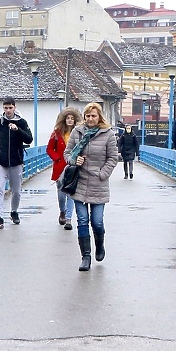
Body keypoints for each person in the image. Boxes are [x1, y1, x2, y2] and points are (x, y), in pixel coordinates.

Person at [64, 102, 118, 271]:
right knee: (81, 220)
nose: (90, 119)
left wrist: (103, 174)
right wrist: (74, 160)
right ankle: (85, 256)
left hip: (98, 183)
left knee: (97, 221)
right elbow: (67, 153)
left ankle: (99, 244)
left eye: (94, 116)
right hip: (78, 182)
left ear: (99, 117)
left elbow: (113, 158)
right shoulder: (77, 132)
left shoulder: (108, 134)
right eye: (88, 116)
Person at [0, 97, 33, 229]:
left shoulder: (22, 122)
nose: (8, 110)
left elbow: (29, 139)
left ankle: (14, 212)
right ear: (3, 108)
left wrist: (17, 130)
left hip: (16, 161)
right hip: (1, 162)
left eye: (10, 108)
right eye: (5, 108)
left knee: (16, 191)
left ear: (14, 107)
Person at [47, 106, 82, 231]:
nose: (70, 120)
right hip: (60, 167)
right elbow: (49, 149)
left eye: (72, 118)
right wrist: (57, 158)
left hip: (73, 167)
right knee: (61, 194)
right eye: (68, 118)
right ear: (64, 119)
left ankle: (68, 218)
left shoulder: (78, 133)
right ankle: (62, 211)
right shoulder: (57, 133)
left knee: (71, 193)